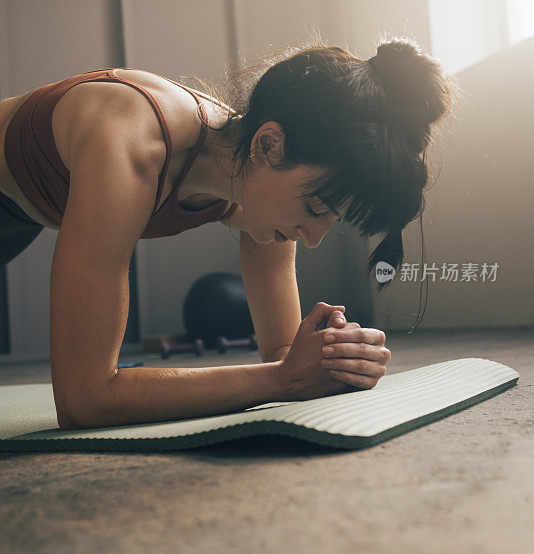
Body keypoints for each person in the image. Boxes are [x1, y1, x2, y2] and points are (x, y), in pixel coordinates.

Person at [0, 36, 456, 430]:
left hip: (19, 217)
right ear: (267, 144)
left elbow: (281, 356)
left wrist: (328, 360)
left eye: (330, 218)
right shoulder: (132, 142)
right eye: (314, 206)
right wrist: (284, 380)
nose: (313, 237)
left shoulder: (253, 184)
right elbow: (85, 400)